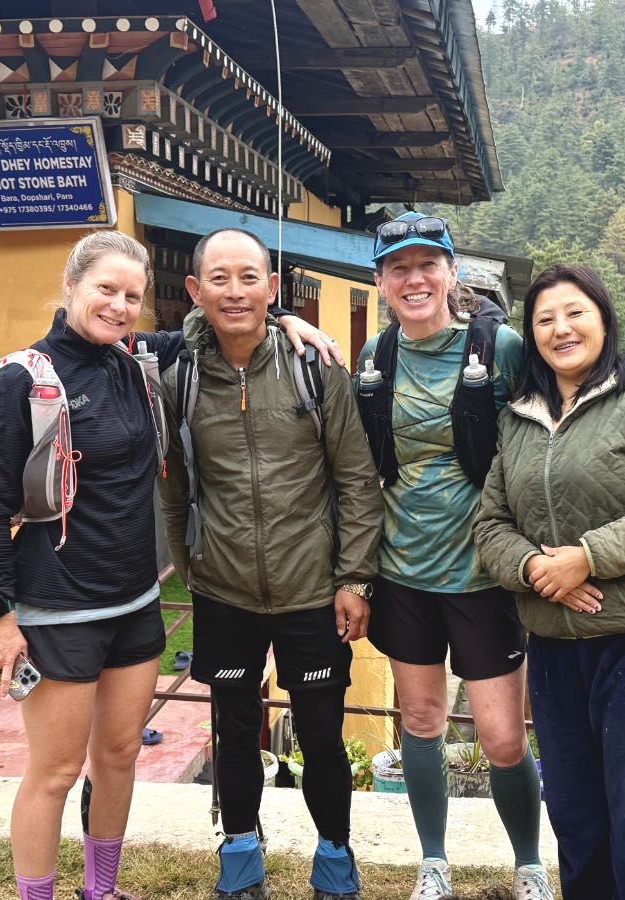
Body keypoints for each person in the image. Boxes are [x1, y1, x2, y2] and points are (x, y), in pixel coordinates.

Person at [0, 230, 343, 900]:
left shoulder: (134, 360)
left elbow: (227, 317)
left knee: (118, 755)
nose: (118, 306)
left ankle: (101, 890)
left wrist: (288, 319)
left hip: (135, 602)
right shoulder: (22, 381)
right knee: (55, 773)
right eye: (104, 290)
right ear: (71, 286)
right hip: (59, 606)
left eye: (131, 296)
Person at [159, 228, 382, 900]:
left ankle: (335, 858)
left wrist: (353, 578)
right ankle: (240, 857)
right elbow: (174, 488)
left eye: (249, 277)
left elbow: (357, 480)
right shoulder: (180, 378)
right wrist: (191, 567)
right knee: (233, 733)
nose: (235, 291)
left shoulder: (316, 369)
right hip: (223, 589)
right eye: (219, 278)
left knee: (321, 733)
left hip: (312, 586)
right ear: (195, 291)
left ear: (272, 287)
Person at [473, 265, 625, 900]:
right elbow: (491, 524)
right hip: (555, 645)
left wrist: (587, 557)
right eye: (545, 319)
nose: (561, 329)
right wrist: (535, 570)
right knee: (575, 817)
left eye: (575, 313)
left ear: (603, 318)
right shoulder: (519, 418)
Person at [355, 212, 558, 900]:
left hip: (484, 572)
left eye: (427, 266)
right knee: (421, 723)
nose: (414, 280)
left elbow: (549, 428)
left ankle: (528, 863)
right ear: (381, 281)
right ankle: (433, 861)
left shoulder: (499, 348)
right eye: (399, 269)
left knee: (502, 738)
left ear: (450, 273)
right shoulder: (375, 356)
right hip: (403, 571)